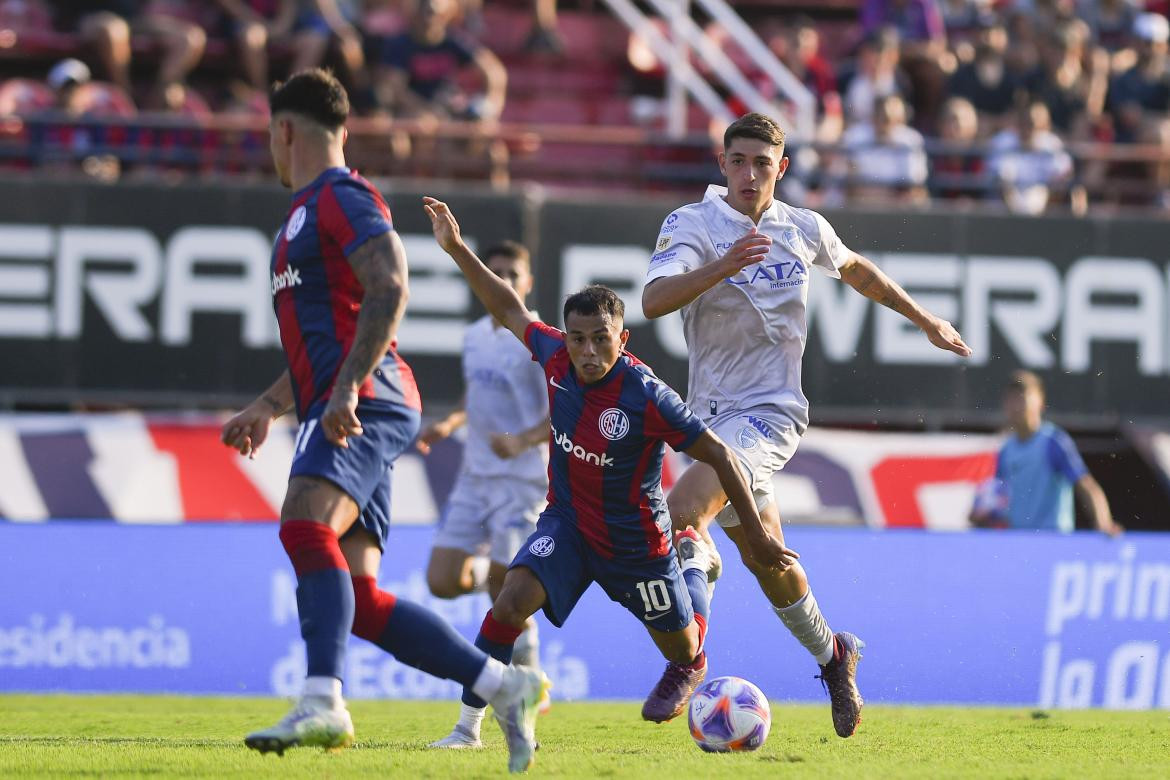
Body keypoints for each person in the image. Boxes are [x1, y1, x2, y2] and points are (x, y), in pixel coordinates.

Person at [218, 68, 545, 774]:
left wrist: (347, 390)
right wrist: (269, 405)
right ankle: (502, 685)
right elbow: (323, 336)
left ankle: (321, 700)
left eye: (269, 138)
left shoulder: (340, 196)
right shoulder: (302, 216)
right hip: (351, 397)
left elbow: (390, 282)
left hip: (369, 399)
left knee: (304, 525)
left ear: (284, 131)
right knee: (360, 598)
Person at [641, 112, 972, 738]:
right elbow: (654, 301)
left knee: (683, 511)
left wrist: (925, 319)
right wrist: (726, 264)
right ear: (722, 163)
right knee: (769, 559)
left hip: (771, 413)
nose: (748, 173)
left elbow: (855, 269)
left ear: (781, 168)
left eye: (762, 163)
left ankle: (688, 660)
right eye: (737, 161)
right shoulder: (692, 224)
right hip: (709, 414)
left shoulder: (803, 227)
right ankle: (834, 656)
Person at [423, 196, 798, 737]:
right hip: (569, 525)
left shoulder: (647, 395)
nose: (588, 351)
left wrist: (759, 536)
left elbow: (718, 453)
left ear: (622, 340)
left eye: (602, 339)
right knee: (509, 603)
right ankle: (466, 730)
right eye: (579, 339)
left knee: (685, 649)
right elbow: (508, 308)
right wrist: (457, 249)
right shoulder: (554, 357)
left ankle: (693, 563)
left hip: (637, 544)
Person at [415, 240, 551, 748]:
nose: (503, 281)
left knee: (505, 589)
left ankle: (526, 678)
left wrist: (523, 440)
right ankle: (518, 611)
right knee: (442, 579)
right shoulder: (473, 336)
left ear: (528, 282)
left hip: (521, 480)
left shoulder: (537, 338)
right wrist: (447, 422)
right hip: (474, 477)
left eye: (512, 274)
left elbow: (563, 405)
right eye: (494, 273)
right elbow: (476, 395)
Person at [971, 370, 1120, 535]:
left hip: (1053, 540)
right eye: (1012, 398)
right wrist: (982, 516)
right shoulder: (1006, 449)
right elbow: (1000, 498)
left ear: (1040, 402)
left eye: (1022, 397)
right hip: (1018, 541)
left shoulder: (1053, 441)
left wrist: (1104, 522)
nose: (1016, 405)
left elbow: (1086, 485)